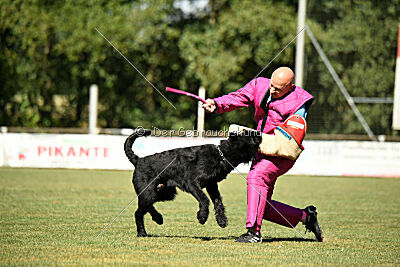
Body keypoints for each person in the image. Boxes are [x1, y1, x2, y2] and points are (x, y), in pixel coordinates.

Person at [203, 67, 323, 243]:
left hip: (282, 151)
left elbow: (290, 142)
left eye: (278, 89)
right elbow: (238, 97)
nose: (272, 90)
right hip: (260, 146)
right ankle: (306, 217)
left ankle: (253, 233)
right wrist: (217, 103)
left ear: (290, 87)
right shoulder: (260, 85)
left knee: (256, 176)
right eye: (272, 86)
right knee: (262, 206)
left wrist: (267, 142)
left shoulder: (299, 104)